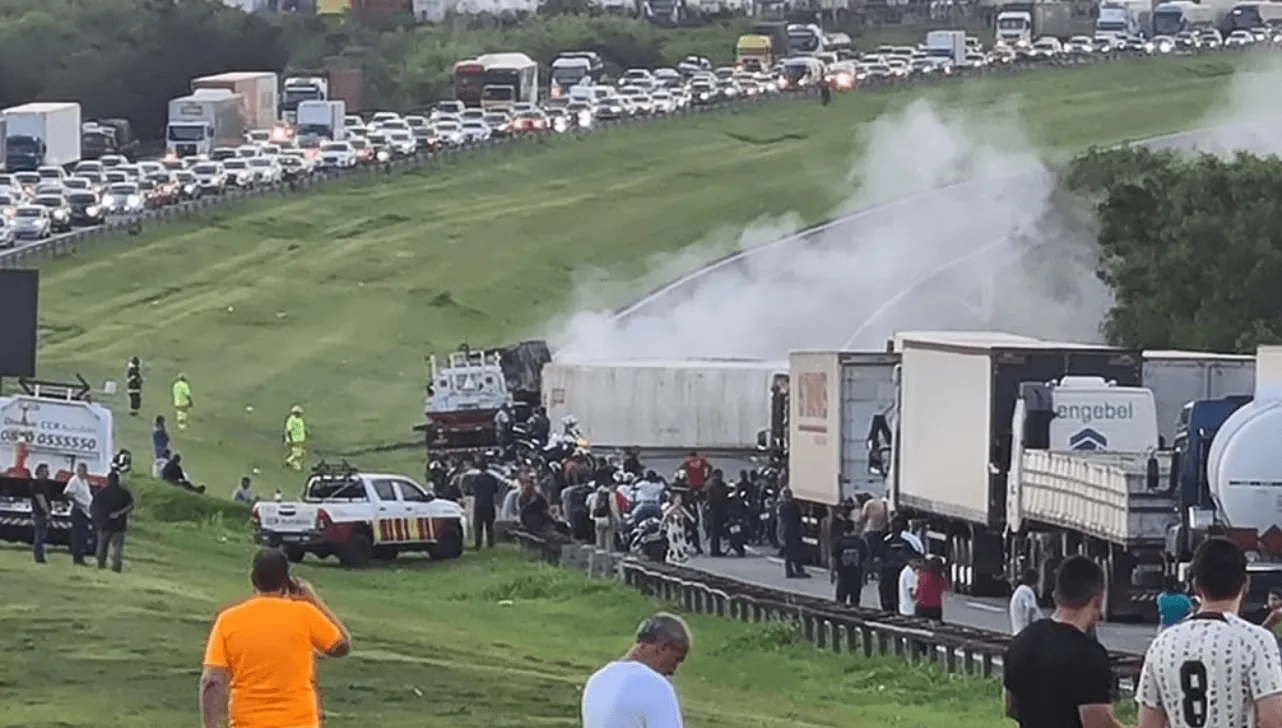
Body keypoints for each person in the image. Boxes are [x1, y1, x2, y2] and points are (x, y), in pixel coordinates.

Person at [1136, 537, 1282, 728]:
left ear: (1196, 585)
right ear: (1246, 583)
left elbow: (1148, 724)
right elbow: (1273, 721)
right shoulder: (1256, 641)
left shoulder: (1162, 644)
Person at [200, 549, 352, 728]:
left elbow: (211, 681)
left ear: (253, 578)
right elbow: (342, 645)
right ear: (286, 581)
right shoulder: (304, 614)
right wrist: (312, 599)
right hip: (299, 722)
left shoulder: (228, 620)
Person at [1003, 556, 1123, 728]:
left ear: (1056, 596)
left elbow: (1010, 706)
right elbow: (1097, 723)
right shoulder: (1089, 656)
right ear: (1097, 601)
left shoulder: (1020, 643)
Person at [581, 612, 690, 728]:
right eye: (677, 659)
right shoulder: (656, 687)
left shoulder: (597, 680)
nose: (673, 670)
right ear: (663, 648)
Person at [90, 471, 133, 573]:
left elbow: (94, 507)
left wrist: (97, 520)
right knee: (117, 548)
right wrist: (119, 513)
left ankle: (101, 565)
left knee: (102, 546)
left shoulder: (101, 493)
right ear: (117, 481)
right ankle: (116, 567)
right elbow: (131, 506)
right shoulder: (124, 493)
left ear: (108, 480)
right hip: (119, 524)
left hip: (104, 524)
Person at [63, 462, 94, 565]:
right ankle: (77, 557)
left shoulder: (84, 481)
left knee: (84, 535)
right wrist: (78, 503)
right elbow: (68, 494)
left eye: (83, 470)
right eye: (80, 470)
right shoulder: (74, 480)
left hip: (86, 511)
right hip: (78, 510)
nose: (82, 472)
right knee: (78, 535)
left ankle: (81, 555)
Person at [832, 518, 868, 606]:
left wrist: (832, 573)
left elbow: (833, 559)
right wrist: (865, 576)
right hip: (856, 577)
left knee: (840, 602)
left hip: (843, 576)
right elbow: (865, 562)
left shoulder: (839, 542)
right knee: (855, 603)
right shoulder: (860, 542)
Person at [470, 457, 500, 549]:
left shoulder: (476, 479)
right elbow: (495, 490)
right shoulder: (491, 479)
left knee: (478, 526)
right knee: (489, 526)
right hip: (489, 504)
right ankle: (490, 543)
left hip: (478, 504)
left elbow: (472, 489)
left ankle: (477, 544)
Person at [779, 488, 809, 578]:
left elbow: (781, 521)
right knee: (797, 550)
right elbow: (799, 519)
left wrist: (780, 533)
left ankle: (789, 571)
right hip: (794, 530)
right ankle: (798, 569)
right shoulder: (795, 506)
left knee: (788, 552)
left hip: (787, 531)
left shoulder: (782, 507)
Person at [661, 493, 694, 565]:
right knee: (674, 543)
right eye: (677, 499)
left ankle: (681, 554)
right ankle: (675, 555)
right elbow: (666, 514)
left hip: (680, 529)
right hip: (673, 529)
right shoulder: (669, 507)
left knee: (681, 542)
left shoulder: (681, 508)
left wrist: (691, 518)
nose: (679, 501)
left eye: (680, 499)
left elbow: (686, 513)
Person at [29, 463, 53, 564]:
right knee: (40, 536)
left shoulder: (42, 484)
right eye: (45, 472)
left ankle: (39, 556)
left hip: (40, 513)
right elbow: (41, 499)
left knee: (41, 536)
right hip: (40, 513)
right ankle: (38, 557)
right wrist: (47, 512)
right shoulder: (38, 484)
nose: (47, 474)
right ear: (39, 472)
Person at [1008, 568, 1042, 635]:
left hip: (1018, 631)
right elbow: (1030, 610)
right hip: (1024, 632)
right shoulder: (1027, 591)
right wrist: (1030, 629)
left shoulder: (1020, 590)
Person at [914, 555, 947, 621]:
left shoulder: (923, 575)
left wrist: (915, 597)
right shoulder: (940, 579)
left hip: (921, 606)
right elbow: (945, 587)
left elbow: (918, 589)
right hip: (935, 606)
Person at [705, 469, 729, 557]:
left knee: (717, 532)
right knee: (715, 532)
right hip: (714, 511)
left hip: (718, 510)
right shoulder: (712, 485)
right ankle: (714, 551)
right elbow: (709, 499)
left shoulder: (717, 485)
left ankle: (716, 550)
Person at [283, 405, 307, 472]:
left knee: (302, 453)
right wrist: (288, 439)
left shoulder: (300, 419)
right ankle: (289, 461)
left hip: (301, 439)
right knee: (298, 453)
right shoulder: (291, 420)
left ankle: (296, 465)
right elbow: (288, 430)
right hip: (294, 439)